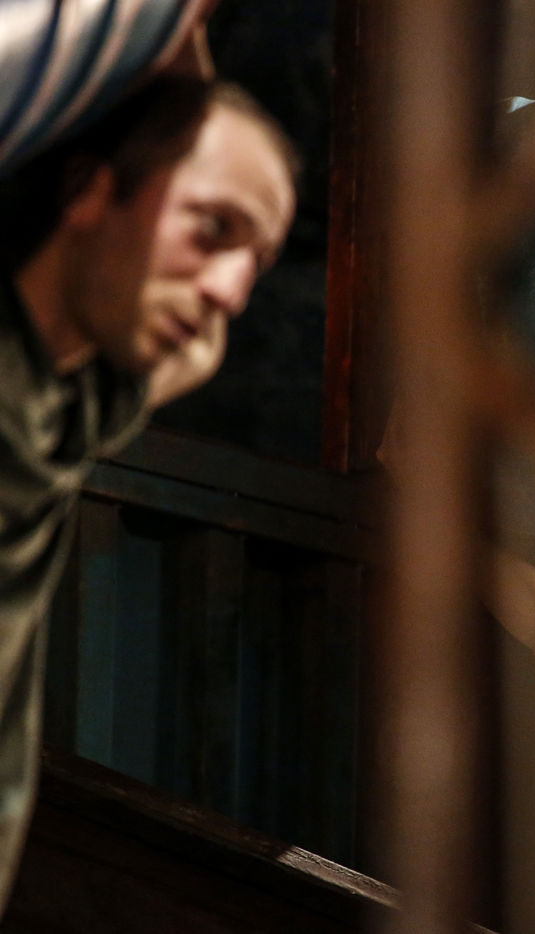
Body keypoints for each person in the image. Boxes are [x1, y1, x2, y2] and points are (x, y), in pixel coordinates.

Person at [0, 77, 297, 907]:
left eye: (256, 263)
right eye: (213, 229)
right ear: (88, 190)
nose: (231, 293)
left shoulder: (72, 408)